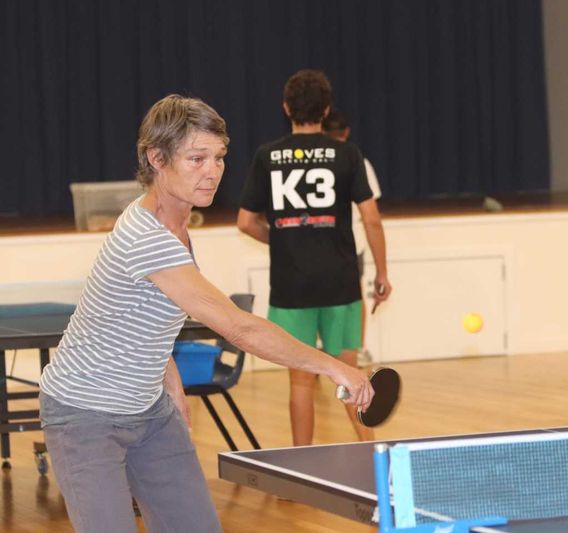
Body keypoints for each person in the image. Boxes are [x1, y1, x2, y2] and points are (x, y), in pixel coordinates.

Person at [37, 94, 373, 533]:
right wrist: (334, 367)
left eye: (219, 157)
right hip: (85, 414)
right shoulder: (147, 238)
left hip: (149, 412)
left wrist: (168, 380)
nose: (212, 170)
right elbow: (238, 326)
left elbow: (146, 319)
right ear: (156, 158)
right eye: (197, 158)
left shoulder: (176, 226)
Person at [237, 70, 391, 446]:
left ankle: (301, 469)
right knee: (350, 374)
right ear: (326, 109)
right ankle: (375, 457)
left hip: (291, 287)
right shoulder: (347, 153)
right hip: (341, 284)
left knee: (300, 381)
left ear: (286, 108)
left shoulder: (267, 156)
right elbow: (370, 218)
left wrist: (286, 242)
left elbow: (245, 222)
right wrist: (382, 274)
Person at [322, 109, 383, 354]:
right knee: (354, 300)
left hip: (318, 242)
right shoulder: (357, 160)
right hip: (351, 244)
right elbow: (372, 215)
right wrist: (383, 270)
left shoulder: (313, 160)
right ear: (346, 132)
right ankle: (357, 349)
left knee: (317, 301)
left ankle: (321, 348)